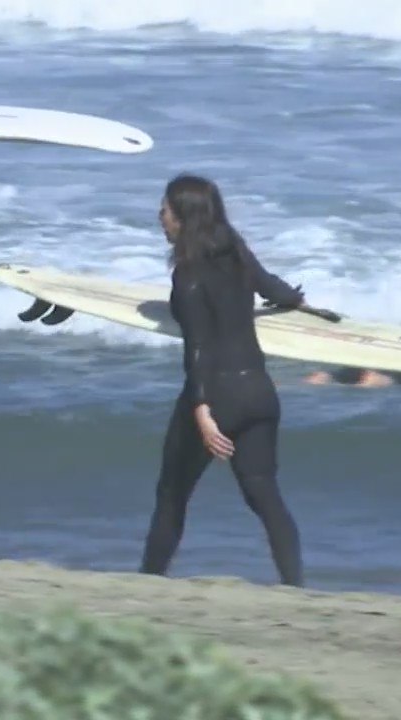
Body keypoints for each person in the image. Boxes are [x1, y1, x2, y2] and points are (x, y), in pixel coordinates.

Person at [139, 173, 306, 587]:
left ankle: (149, 581)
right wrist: (296, 300)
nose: (160, 215)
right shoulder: (235, 251)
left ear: (183, 217)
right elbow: (276, 291)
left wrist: (202, 413)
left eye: (166, 209)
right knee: (265, 497)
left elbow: (197, 349)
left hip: (218, 396)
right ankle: (295, 586)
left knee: (172, 494)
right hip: (259, 392)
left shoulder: (188, 274)